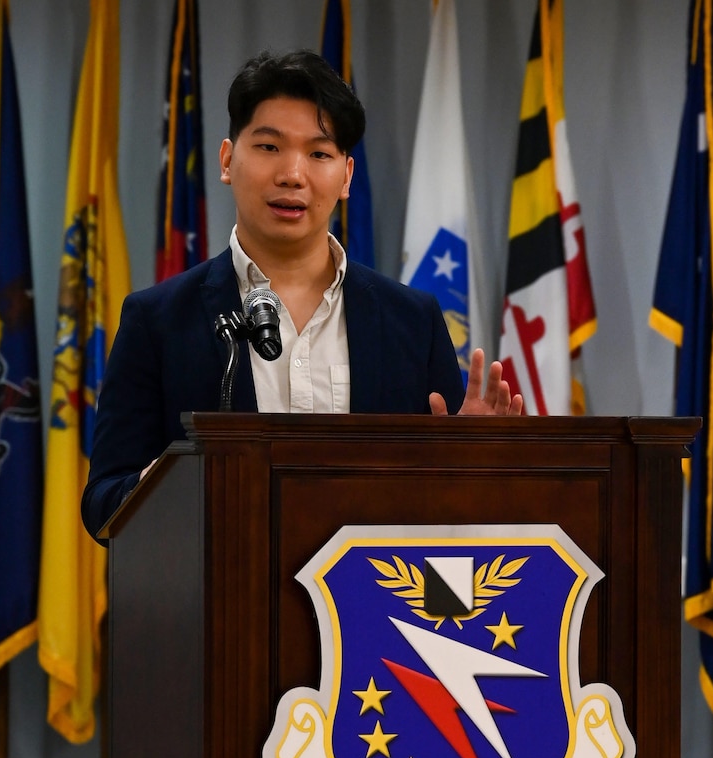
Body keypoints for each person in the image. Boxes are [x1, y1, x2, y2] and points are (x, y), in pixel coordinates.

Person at [81, 49, 521, 540]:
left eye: (319, 153)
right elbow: (103, 506)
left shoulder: (410, 321)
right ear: (228, 160)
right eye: (269, 147)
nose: (293, 174)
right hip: (222, 604)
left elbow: (448, 514)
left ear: (347, 176)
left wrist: (475, 461)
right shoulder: (157, 320)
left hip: (372, 606)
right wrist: (167, 484)